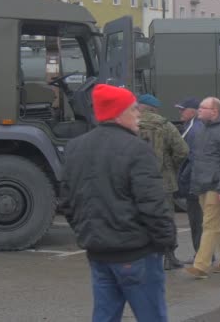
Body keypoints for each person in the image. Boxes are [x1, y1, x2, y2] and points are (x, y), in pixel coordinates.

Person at [60, 84, 176, 322]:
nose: (139, 115)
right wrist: (167, 241)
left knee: (104, 316)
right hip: (136, 253)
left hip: (99, 253)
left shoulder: (75, 148)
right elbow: (153, 205)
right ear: (118, 113)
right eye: (134, 109)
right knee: (152, 316)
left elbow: (68, 202)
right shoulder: (137, 149)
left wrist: (87, 234)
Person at [186, 97, 220, 279]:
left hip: (216, 186)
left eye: (202, 108)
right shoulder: (203, 129)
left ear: (214, 111)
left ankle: (200, 265)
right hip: (203, 185)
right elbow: (198, 160)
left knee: (209, 225)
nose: (198, 110)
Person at [137, 94, 189, 270]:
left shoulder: (130, 124)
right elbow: (182, 150)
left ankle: (144, 256)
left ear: (140, 107)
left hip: (137, 181)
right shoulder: (164, 125)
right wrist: (170, 167)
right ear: (154, 109)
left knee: (140, 217)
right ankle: (169, 257)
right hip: (163, 182)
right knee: (166, 218)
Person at [176, 97, 206, 264]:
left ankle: (202, 254)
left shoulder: (194, 130)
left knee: (197, 221)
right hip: (194, 181)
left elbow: (193, 158)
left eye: (183, 109)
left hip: (194, 183)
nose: (180, 112)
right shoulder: (191, 127)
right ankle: (202, 253)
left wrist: (183, 178)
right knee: (197, 221)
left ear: (193, 111)